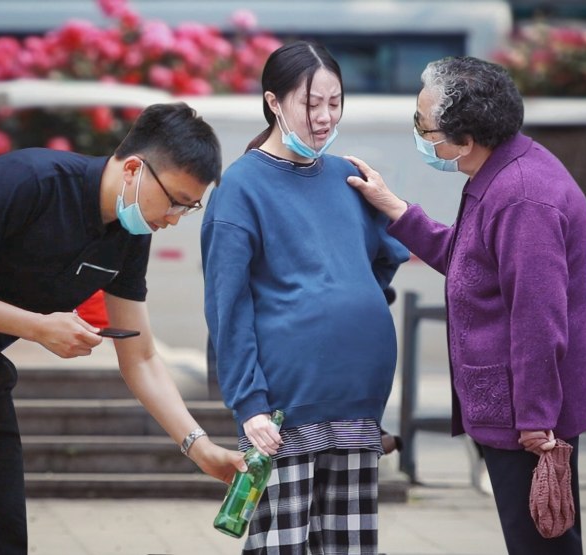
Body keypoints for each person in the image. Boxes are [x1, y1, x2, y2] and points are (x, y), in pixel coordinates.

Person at [0, 102, 247, 554]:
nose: (172, 218)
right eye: (173, 200)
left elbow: (142, 356)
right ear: (134, 167)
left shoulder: (131, 237)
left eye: (188, 208)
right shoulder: (28, 181)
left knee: (2, 538)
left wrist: (199, 446)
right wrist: (38, 328)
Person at [345, 56, 586, 554]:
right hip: (522, 404)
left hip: (530, 415)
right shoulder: (506, 169)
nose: (419, 135)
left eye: (423, 126)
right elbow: (471, 260)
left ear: (464, 139)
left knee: (540, 539)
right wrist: (395, 208)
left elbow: (539, 318)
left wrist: (536, 419)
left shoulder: (522, 197)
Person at [201, 41, 409, 554]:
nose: (324, 116)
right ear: (274, 101)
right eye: (310, 103)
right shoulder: (241, 186)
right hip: (281, 409)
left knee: (348, 547)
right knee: (280, 546)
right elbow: (227, 307)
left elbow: (387, 255)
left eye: (334, 102)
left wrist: (354, 302)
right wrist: (248, 402)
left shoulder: (348, 176)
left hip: (358, 401)